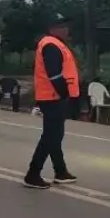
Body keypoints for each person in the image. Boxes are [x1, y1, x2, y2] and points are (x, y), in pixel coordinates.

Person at [24, 14, 79, 189]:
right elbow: (54, 74)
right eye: (62, 26)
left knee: (55, 135)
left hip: (54, 96)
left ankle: (60, 171)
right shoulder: (50, 45)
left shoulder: (56, 44)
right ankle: (33, 174)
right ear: (53, 28)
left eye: (66, 25)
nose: (66, 29)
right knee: (50, 136)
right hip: (53, 96)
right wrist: (64, 93)